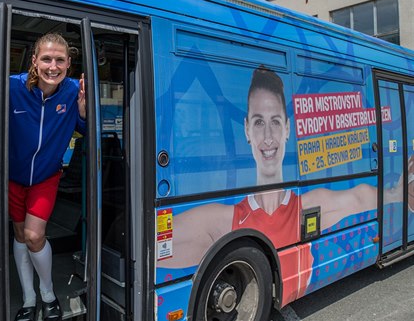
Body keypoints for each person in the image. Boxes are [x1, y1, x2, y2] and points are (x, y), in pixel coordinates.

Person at [159, 66, 413, 305]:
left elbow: (363, 197)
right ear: (246, 129)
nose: (268, 137)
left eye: (276, 121)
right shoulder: (220, 219)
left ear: (287, 128)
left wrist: (397, 192)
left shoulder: (312, 202)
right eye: (259, 122)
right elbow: (152, 246)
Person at [8, 32, 86, 321]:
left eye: (60, 60)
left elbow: (87, 132)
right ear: (34, 61)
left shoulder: (71, 91)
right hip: (12, 177)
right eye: (46, 59)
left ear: (68, 64)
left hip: (45, 177)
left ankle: (48, 294)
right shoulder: (12, 87)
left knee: (33, 235)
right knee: (19, 235)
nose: (53, 66)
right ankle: (29, 299)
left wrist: (84, 113)